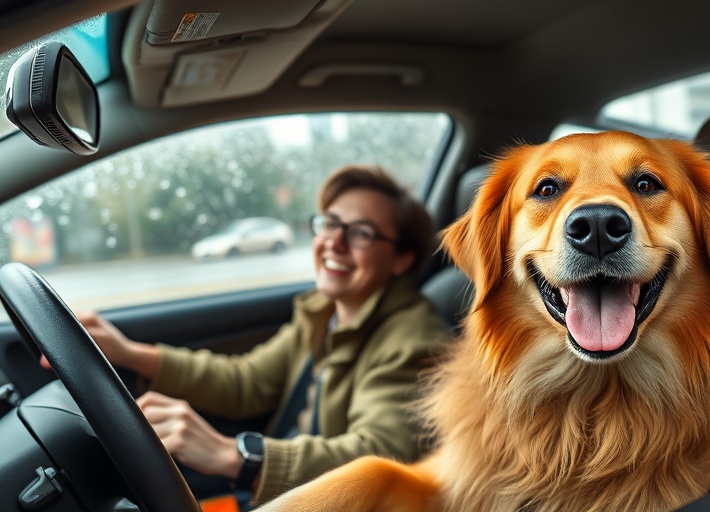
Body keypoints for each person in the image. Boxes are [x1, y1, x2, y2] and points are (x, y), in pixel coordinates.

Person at [52, 165, 449, 507]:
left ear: (401, 259)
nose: (334, 241)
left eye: (360, 233)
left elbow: (380, 455)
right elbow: (247, 381)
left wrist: (238, 456)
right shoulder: (323, 314)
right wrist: (131, 353)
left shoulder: (414, 340)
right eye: (329, 223)